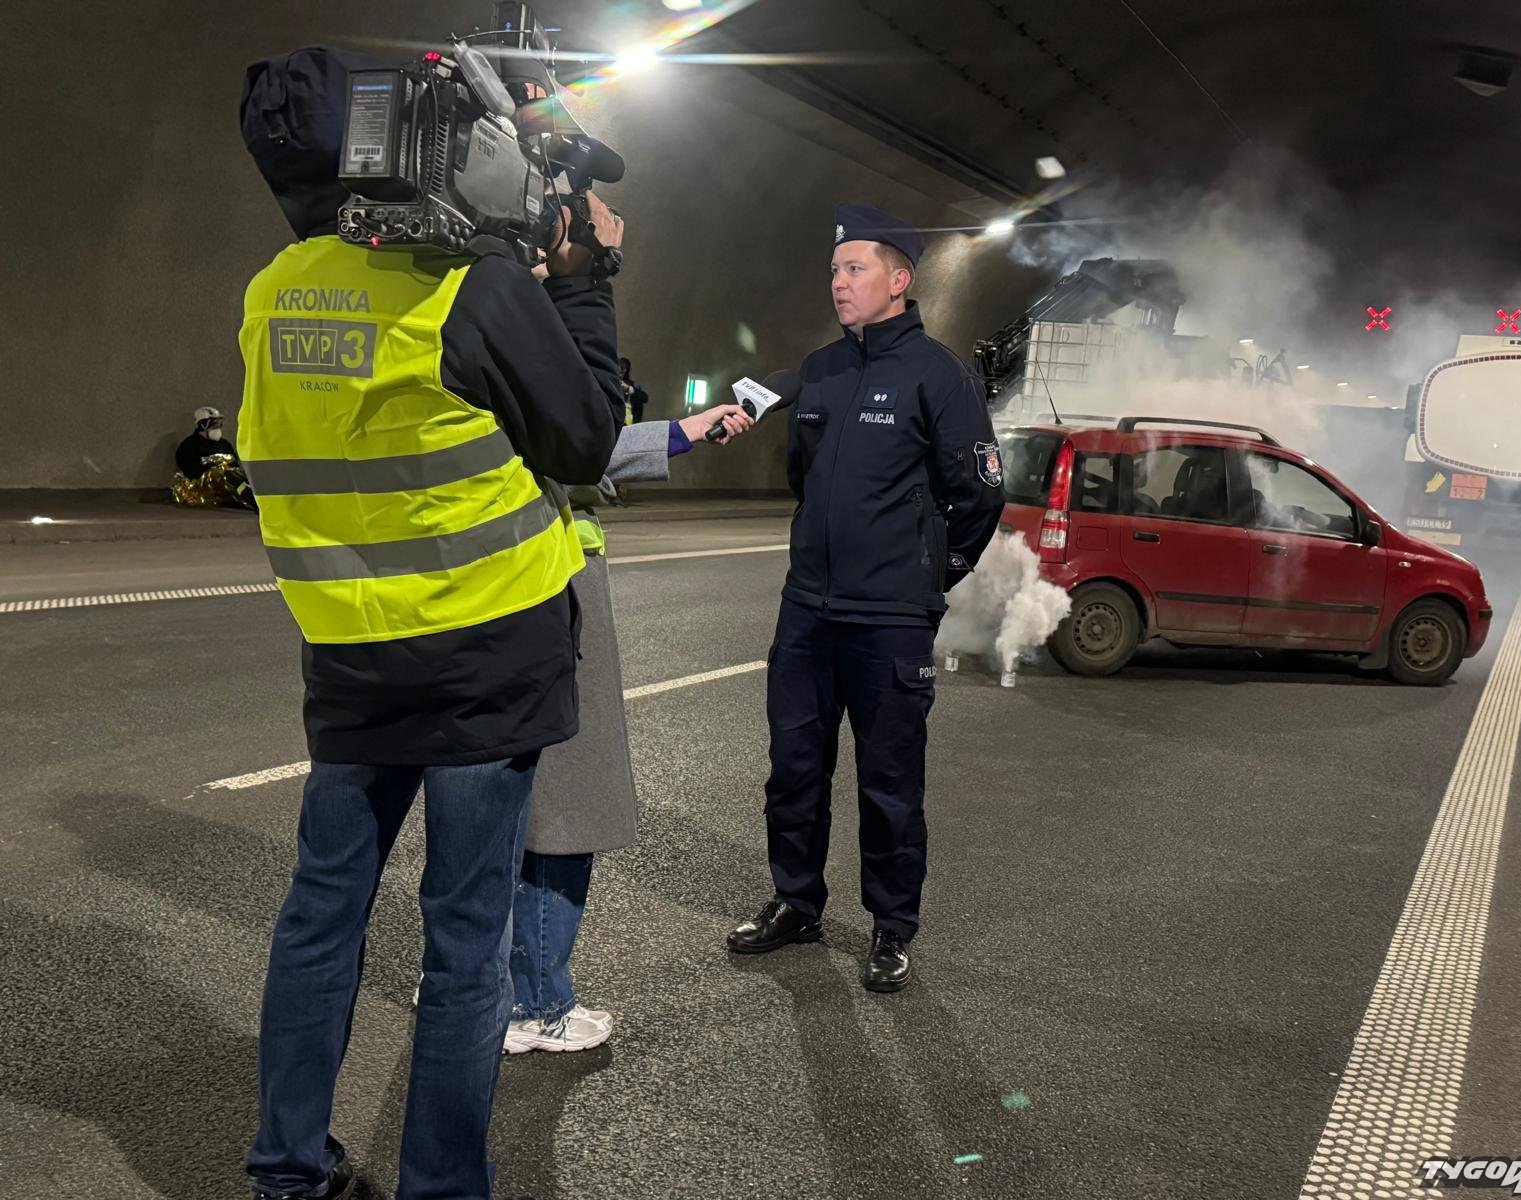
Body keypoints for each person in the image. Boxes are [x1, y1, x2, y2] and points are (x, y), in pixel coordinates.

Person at [236, 47, 623, 1200]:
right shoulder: (470, 288)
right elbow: (587, 438)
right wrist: (578, 277)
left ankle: (288, 1172)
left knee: (320, 917)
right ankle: (443, 1186)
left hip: (352, 656)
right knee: (464, 943)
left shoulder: (274, 289)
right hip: (485, 660)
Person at [727, 203, 1005, 993]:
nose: (839, 283)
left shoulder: (940, 376)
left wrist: (928, 575)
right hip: (808, 611)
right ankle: (796, 902)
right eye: (834, 271)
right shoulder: (820, 369)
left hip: (889, 620)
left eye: (854, 269)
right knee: (793, 769)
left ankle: (891, 925)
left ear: (899, 279)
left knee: (888, 783)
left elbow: (980, 495)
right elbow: (803, 478)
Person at [498, 400, 756, 1052]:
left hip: (470, 585)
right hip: (550, 577)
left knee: (485, 795)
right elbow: (573, 445)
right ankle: (534, 1004)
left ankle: (467, 977)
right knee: (565, 798)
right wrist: (677, 434)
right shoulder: (520, 347)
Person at [172, 406, 256, 509]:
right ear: (202, 424)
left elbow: (235, 466)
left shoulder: (224, 444)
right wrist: (213, 467)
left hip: (228, 484)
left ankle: (251, 496)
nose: (217, 426)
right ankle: (250, 498)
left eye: (219, 423)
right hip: (201, 488)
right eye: (213, 423)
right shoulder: (189, 446)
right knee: (223, 474)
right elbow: (190, 472)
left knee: (238, 474)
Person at [619, 356, 649, 425]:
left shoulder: (632, 385)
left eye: (623, 372)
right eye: (619, 372)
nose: (620, 375)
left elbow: (645, 398)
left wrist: (629, 389)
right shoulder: (610, 383)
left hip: (630, 421)